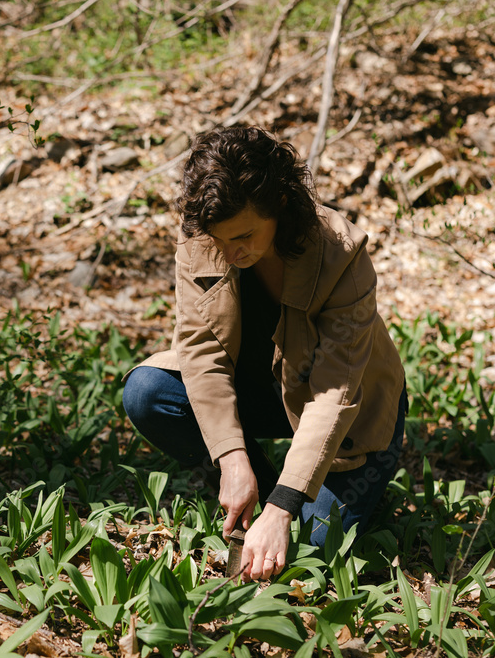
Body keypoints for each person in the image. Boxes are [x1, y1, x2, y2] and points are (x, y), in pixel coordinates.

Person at [122, 126, 406, 582]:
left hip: (351, 414)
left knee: (313, 550)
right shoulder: (206, 233)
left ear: (279, 205)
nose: (232, 252)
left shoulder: (342, 254)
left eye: (246, 236)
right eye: (222, 240)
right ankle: (263, 491)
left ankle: (315, 496)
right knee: (149, 391)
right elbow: (199, 351)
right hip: (265, 390)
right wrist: (233, 460)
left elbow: (335, 394)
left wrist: (283, 507)